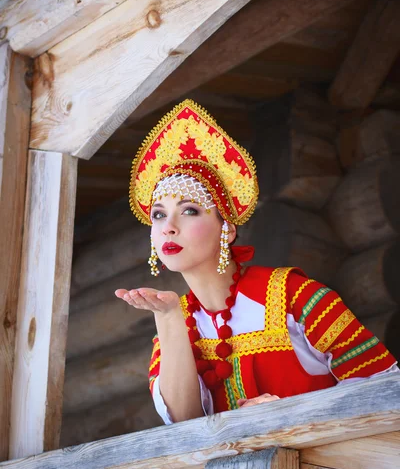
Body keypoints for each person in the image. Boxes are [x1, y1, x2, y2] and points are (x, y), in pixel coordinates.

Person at [115, 99, 398, 424]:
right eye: (159, 215)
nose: (169, 226)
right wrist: (167, 317)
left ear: (228, 229)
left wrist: (288, 415)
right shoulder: (172, 331)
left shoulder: (295, 297)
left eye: (189, 210)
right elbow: (184, 425)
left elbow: (386, 388)